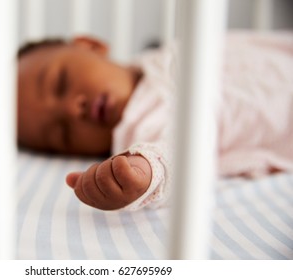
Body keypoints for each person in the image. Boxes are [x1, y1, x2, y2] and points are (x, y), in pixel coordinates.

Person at [17, 32, 293, 211]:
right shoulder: (141, 129)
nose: (73, 109)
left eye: (61, 83)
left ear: (90, 45)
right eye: (63, 132)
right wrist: (144, 171)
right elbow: (178, 157)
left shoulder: (174, 48)